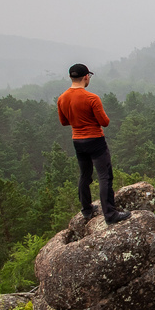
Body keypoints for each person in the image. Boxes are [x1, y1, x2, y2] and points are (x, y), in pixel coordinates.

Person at [56, 63, 130, 224]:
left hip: (77, 140)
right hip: (95, 140)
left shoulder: (62, 98)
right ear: (86, 77)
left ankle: (87, 210)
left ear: (71, 77)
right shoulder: (91, 98)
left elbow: (63, 122)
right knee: (105, 176)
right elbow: (105, 122)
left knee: (85, 175)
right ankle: (110, 215)